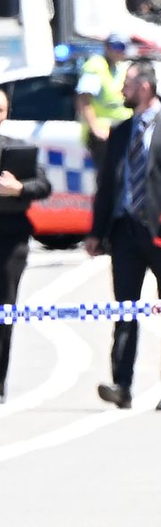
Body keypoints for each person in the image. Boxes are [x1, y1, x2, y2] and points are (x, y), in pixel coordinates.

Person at [85, 60, 161, 412]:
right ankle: (121, 384)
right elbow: (107, 186)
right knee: (125, 310)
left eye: (128, 84)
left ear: (146, 87)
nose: (122, 90)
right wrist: (95, 232)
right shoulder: (120, 132)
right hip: (125, 234)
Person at [0, 88, 52, 405]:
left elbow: (43, 185)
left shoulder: (17, 150)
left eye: (1, 110)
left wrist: (18, 188)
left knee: (5, 308)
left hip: (11, 237)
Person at [75, 34, 132, 174]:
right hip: (103, 135)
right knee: (108, 180)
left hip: (121, 132)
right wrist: (95, 128)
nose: (120, 51)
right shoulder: (96, 66)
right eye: (117, 47)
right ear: (107, 47)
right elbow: (83, 100)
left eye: (123, 47)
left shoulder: (120, 68)